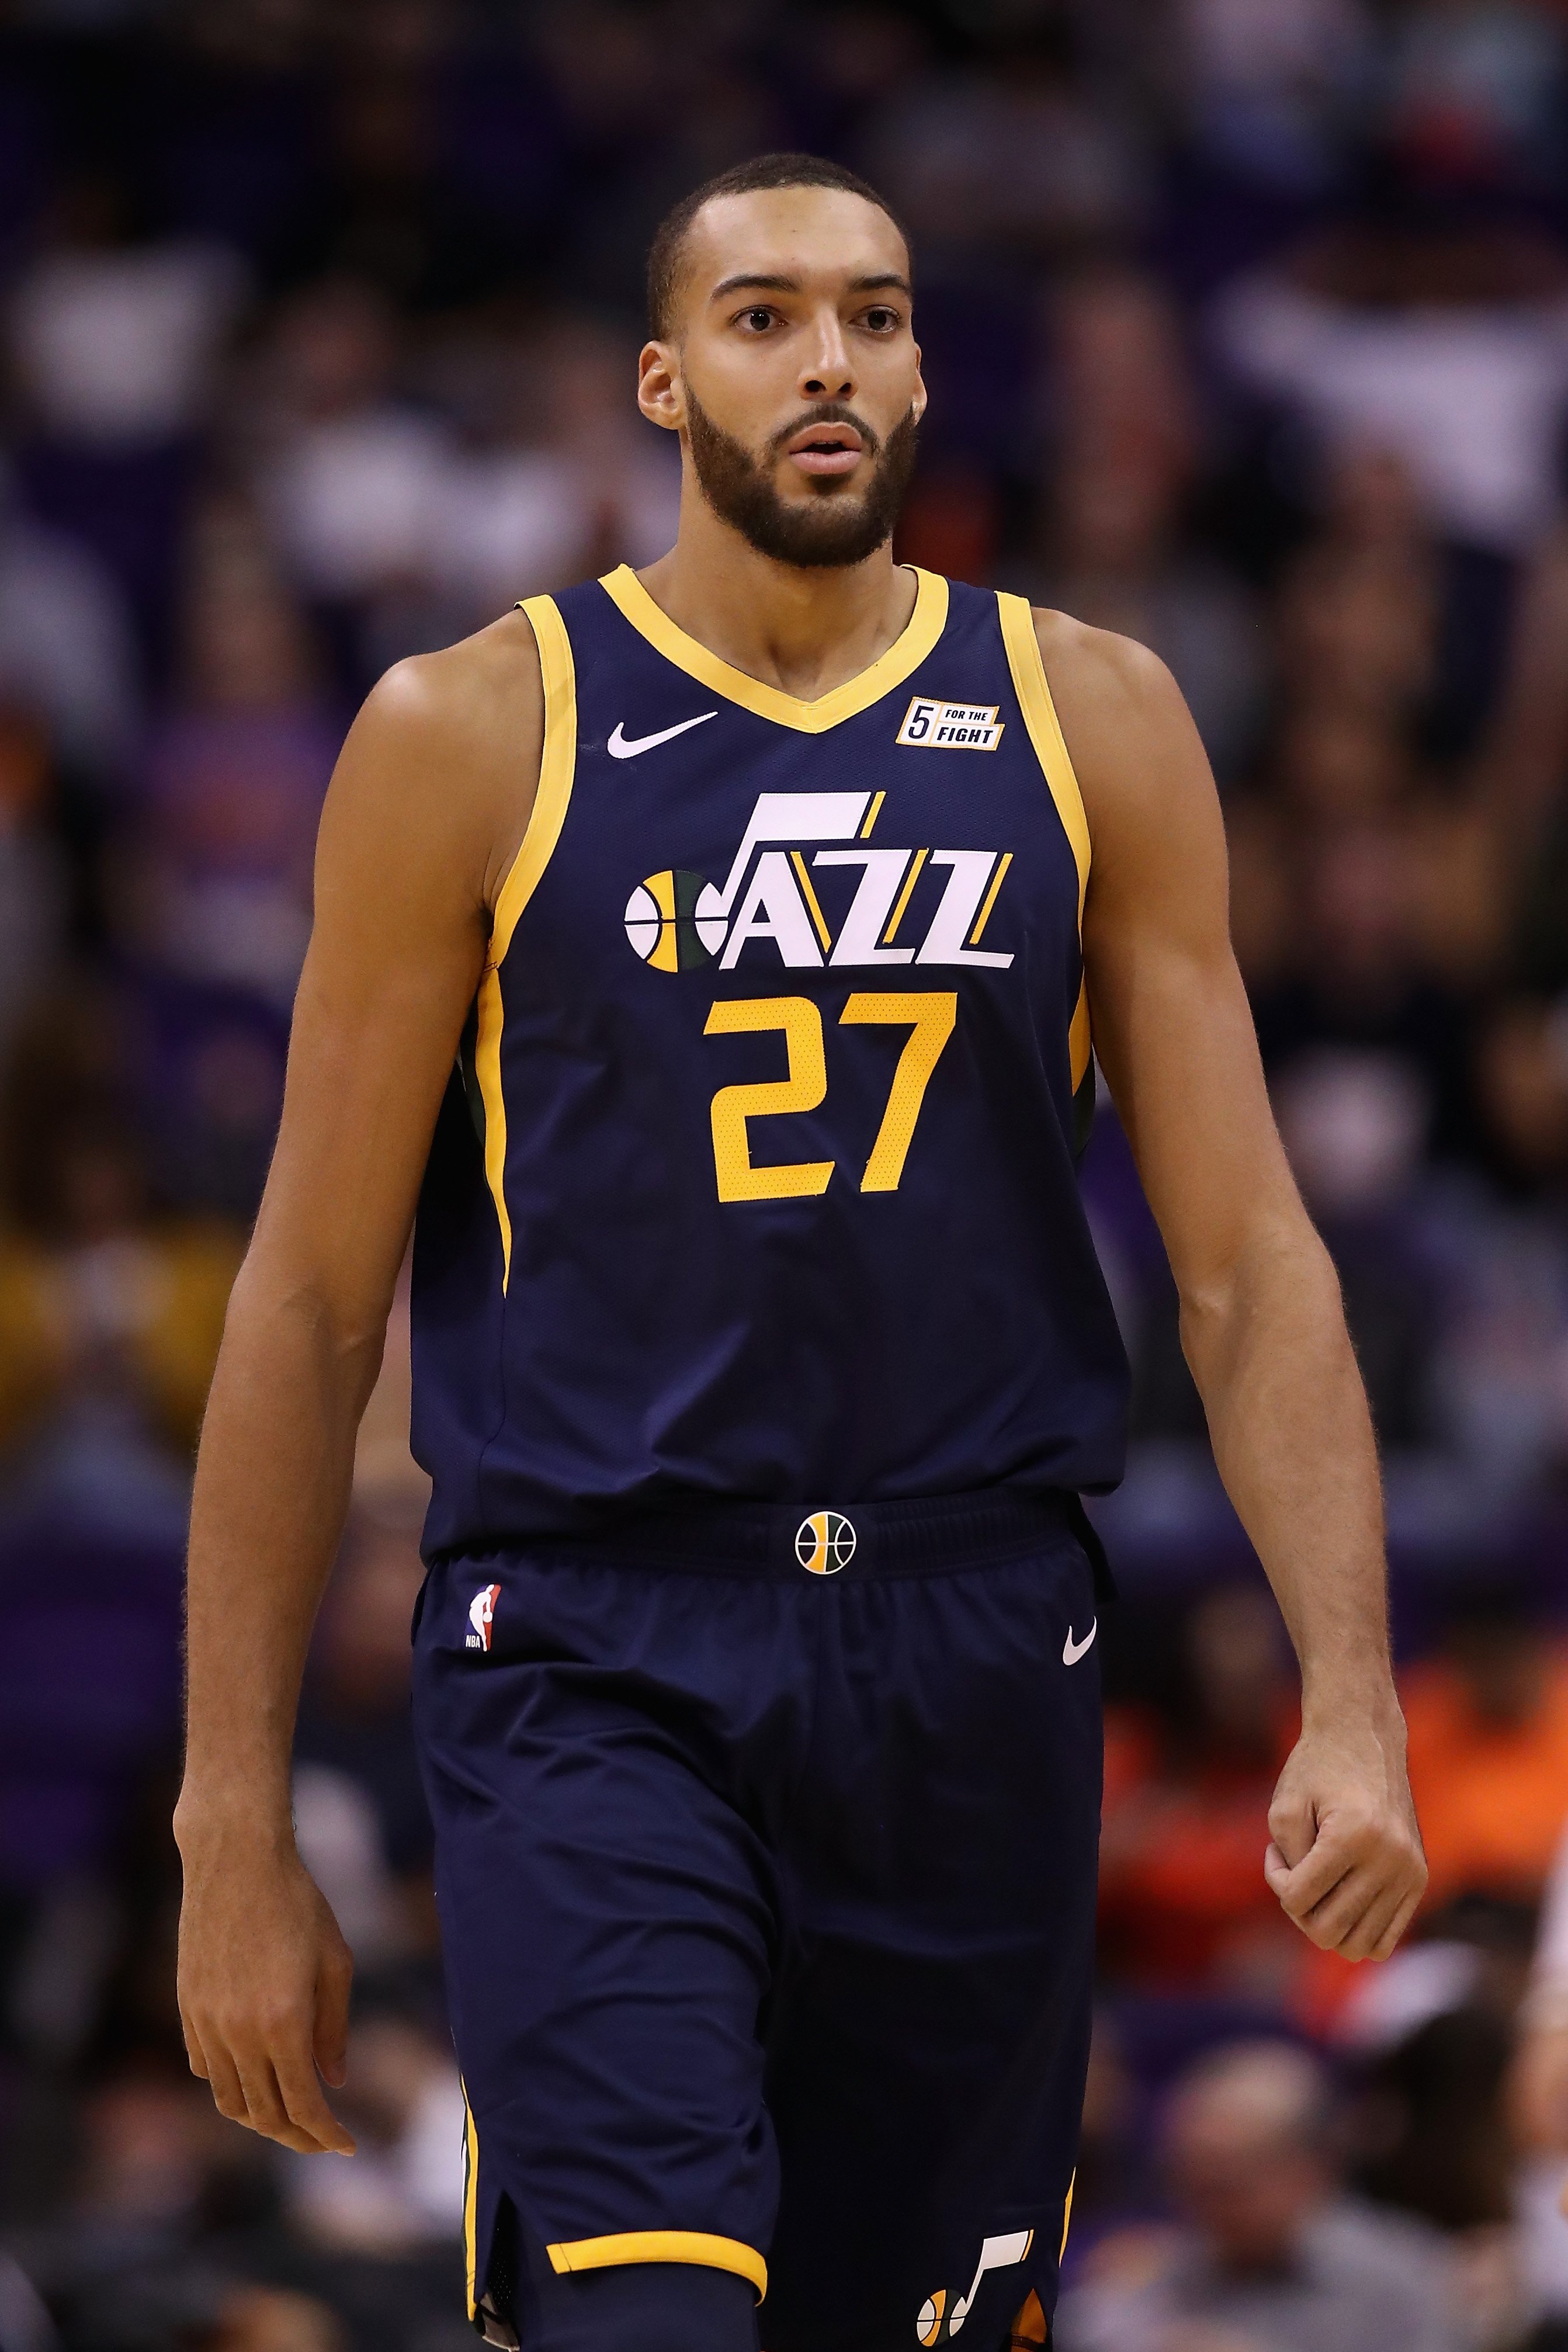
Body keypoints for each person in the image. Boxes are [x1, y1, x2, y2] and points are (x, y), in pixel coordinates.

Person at [172, 152, 1427, 2352]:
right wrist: (228, 1821)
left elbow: (1248, 1265)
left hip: (976, 1638)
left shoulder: (1090, 716)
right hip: (597, 1640)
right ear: (663, 381)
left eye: (876, 311)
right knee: (654, 2315)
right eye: (762, 316)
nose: (827, 357)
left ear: (927, 364)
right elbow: (301, 1301)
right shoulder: (472, 730)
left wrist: (1353, 1692)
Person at [1055, 2040, 1462, 2352]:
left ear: (1308, 2172)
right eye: (1188, 2185)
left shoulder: (1403, 2277)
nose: (1203, 2210)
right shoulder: (1161, 2267)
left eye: (1226, 2188)